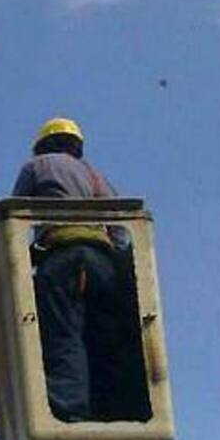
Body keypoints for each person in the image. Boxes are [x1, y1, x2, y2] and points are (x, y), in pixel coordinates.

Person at [12, 117, 148, 422]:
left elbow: (15, 213)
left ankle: (68, 412)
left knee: (63, 336)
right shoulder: (97, 177)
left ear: (42, 145)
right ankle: (114, 411)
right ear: (77, 145)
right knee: (101, 336)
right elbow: (121, 231)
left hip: (63, 259)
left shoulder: (37, 166)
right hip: (103, 264)